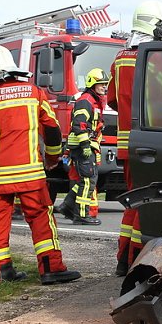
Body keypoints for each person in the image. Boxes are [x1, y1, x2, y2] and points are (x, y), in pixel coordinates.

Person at [0, 43, 80, 284]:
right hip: (30, 174)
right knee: (41, 220)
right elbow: (52, 128)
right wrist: (52, 158)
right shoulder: (34, 92)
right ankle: (50, 269)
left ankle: (2, 274)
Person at [108, 0, 162, 276]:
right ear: (157, 27)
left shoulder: (121, 58)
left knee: (134, 204)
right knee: (151, 207)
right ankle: (139, 261)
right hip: (158, 144)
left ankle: (123, 260)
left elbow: (113, 99)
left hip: (129, 146)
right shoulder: (160, 59)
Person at [57, 68, 109, 226]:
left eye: (106, 84)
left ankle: (66, 207)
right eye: (101, 84)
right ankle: (81, 215)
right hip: (83, 146)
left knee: (85, 180)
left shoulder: (93, 101)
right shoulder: (85, 101)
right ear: (92, 84)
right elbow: (79, 125)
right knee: (87, 182)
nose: (104, 87)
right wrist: (85, 145)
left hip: (88, 145)